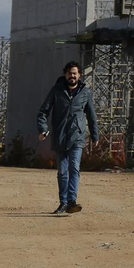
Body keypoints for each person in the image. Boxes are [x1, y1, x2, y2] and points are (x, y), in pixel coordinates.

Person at [37, 61, 99, 215]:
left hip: (77, 137)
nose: (72, 76)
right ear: (65, 74)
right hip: (60, 136)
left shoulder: (85, 93)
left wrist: (94, 135)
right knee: (63, 172)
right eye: (70, 73)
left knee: (74, 168)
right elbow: (43, 112)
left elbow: (91, 116)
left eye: (75, 73)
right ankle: (63, 202)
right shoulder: (56, 91)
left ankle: (72, 201)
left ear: (80, 75)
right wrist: (43, 129)